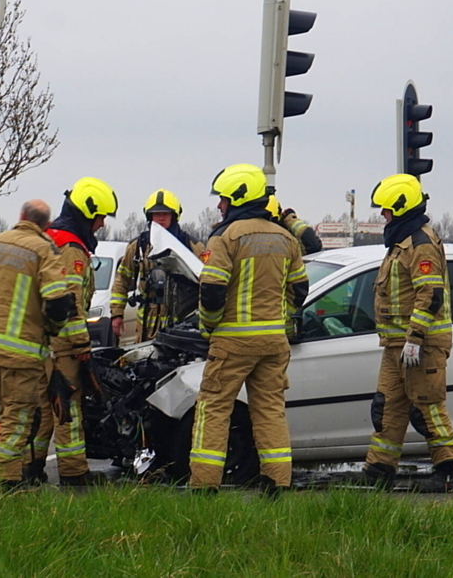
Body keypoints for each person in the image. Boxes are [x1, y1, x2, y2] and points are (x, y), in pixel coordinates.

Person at [189, 164, 309, 493]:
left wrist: (208, 326)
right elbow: (300, 290)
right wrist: (282, 321)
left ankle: (204, 486)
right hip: (274, 343)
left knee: (214, 408)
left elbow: (212, 289)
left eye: (223, 199)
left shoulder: (226, 237)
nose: (219, 206)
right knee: (270, 411)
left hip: (232, 343)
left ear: (238, 199)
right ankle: (277, 483)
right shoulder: (286, 238)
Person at [355, 173, 453, 493]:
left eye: (386, 209)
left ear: (400, 207)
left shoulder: (420, 244)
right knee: (386, 407)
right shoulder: (401, 243)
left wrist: (415, 338)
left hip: (420, 345)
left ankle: (447, 472)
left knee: (428, 407)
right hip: (395, 345)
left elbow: (430, 295)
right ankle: (379, 469)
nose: (382, 215)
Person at [0, 199, 74, 490]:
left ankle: (15, 474)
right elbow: (58, 302)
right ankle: (4, 483)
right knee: (18, 418)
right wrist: (51, 331)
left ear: (21, 216)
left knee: (7, 409)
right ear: (46, 224)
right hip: (21, 352)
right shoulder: (45, 250)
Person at [25, 178, 117, 487]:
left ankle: (30, 468)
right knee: (67, 407)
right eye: (100, 217)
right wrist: (82, 346)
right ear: (87, 213)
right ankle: (74, 473)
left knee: (44, 407)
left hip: (39, 341)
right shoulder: (71, 249)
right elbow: (72, 304)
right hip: (62, 344)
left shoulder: (49, 238)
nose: (102, 224)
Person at [110, 188, 203, 343]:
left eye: (165, 213)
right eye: (156, 213)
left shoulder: (190, 246)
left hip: (181, 325)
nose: (161, 218)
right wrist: (117, 313)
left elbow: (208, 281)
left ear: (174, 215)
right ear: (149, 216)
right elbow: (122, 280)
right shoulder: (138, 246)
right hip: (146, 326)